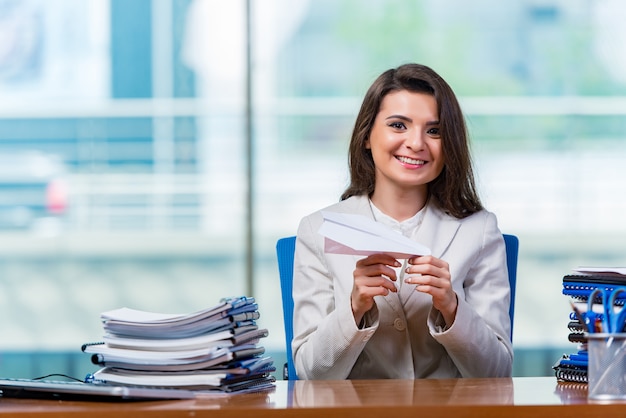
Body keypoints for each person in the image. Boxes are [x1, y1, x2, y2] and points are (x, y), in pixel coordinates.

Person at [291, 63, 513, 380]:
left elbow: (497, 372)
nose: (416, 143)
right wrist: (354, 307)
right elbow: (311, 373)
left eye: (434, 131)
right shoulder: (318, 230)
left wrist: (451, 307)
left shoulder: (479, 229)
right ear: (366, 135)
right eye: (398, 125)